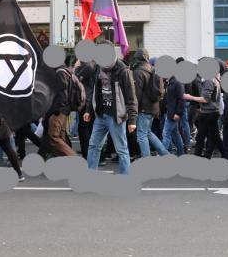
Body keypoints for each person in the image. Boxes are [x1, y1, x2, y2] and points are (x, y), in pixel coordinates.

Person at [84, 45, 138, 174]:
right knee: (93, 145)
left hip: (116, 117)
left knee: (121, 149)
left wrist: (132, 120)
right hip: (101, 115)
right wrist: (88, 110)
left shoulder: (123, 70)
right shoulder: (97, 68)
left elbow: (131, 97)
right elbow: (93, 91)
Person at [132, 49, 168, 157]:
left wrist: (132, 109)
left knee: (142, 135)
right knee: (148, 133)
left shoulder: (138, 71)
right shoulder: (153, 69)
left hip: (143, 108)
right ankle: (165, 154)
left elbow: (136, 94)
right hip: (154, 108)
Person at [43, 58, 77, 157]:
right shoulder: (64, 71)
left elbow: (62, 95)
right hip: (63, 110)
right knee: (60, 138)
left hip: (59, 111)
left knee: (54, 137)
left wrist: (56, 111)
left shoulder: (60, 73)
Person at [194, 66, 222, 159]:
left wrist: (189, 97)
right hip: (210, 112)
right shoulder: (213, 79)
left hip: (208, 112)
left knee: (203, 136)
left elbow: (205, 99)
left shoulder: (209, 80)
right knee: (212, 136)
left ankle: (199, 155)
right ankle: (206, 155)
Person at [162, 73, 186, 157]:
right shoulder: (168, 82)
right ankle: (181, 152)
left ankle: (163, 155)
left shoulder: (177, 82)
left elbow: (181, 99)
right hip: (170, 112)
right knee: (175, 133)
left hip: (173, 113)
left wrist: (178, 113)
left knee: (166, 133)